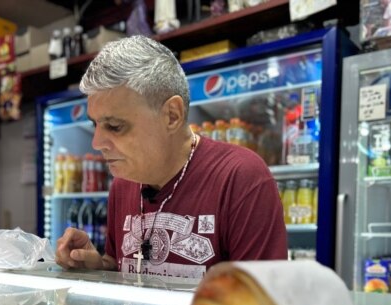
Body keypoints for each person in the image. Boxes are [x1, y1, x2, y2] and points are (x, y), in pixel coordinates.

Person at [55, 35, 287, 278]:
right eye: (95, 125)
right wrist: (98, 267)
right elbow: (123, 268)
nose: (97, 143)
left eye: (114, 126)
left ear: (172, 116)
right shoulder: (123, 184)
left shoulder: (240, 177)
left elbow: (262, 303)